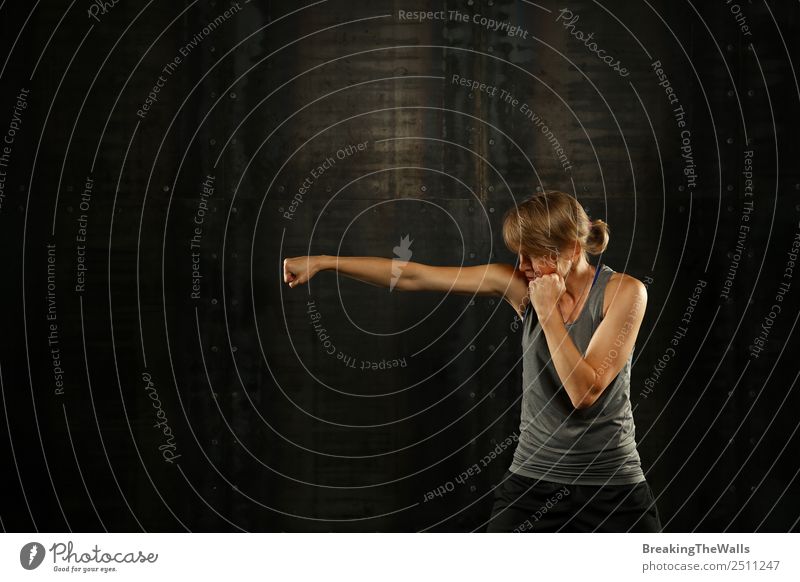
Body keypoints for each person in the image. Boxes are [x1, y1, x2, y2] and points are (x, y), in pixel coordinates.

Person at [283, 190, 662, 532]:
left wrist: (547, 313)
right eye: (519, 253)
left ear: (573, 251)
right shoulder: (521, 287)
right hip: (532, 479)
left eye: (532, 254)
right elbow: (414, 276)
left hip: (613, 485)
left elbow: (584, 392)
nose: (523, 265)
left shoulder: (625, 293)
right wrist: (324, 261)